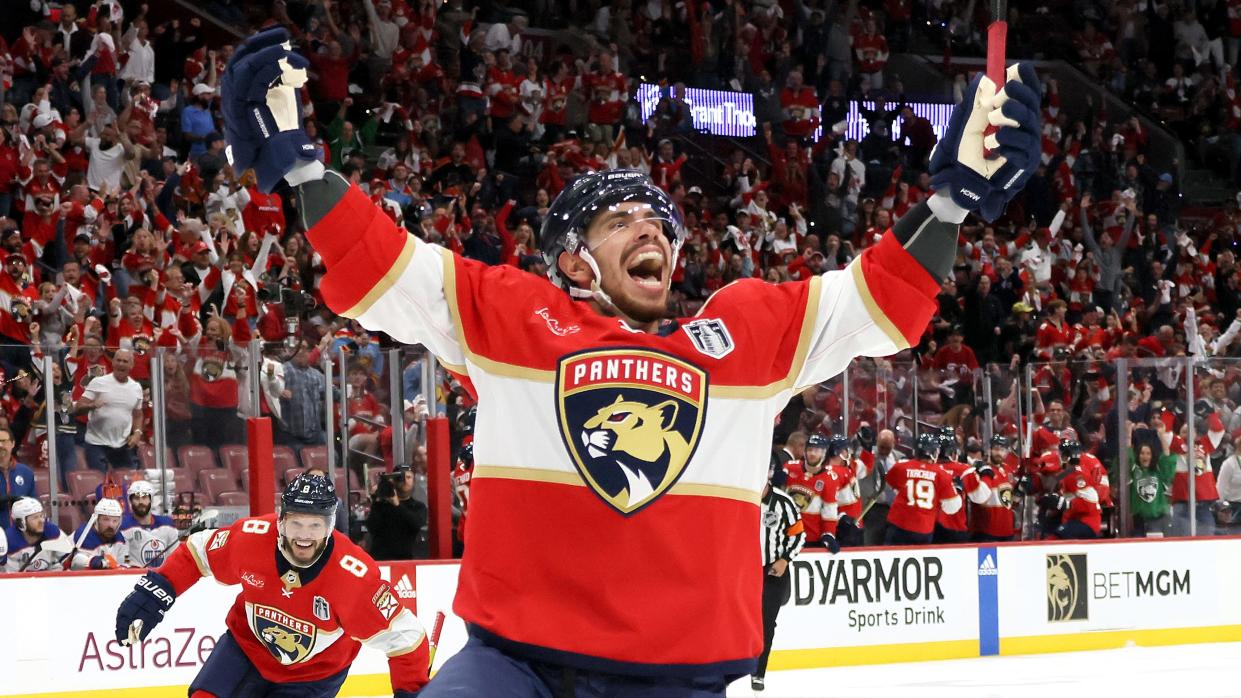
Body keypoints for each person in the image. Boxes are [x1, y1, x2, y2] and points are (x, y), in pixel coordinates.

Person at [220, 29, 1041, 693]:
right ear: (572, 262)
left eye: (660, 226)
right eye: (621, 222)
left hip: (678, 677)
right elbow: (380, 265)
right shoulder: (513, 319)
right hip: (512, 665)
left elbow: (881, 298)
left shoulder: (745, 334)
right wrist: (300, 166)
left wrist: (951, 202)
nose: (652, 233)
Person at [113, 474, 430, 697]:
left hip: (312, 676)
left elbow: (407, 638)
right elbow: (197, 552)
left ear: (330, 527)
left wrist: (412, 692)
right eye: (296, 523)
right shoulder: (251, 537)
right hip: (247, 648)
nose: (304, 535)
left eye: (315, 525)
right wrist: (153, 593)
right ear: (281, 521)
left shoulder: (354, 576)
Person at [752, 460, 805, 692]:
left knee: (766, 622)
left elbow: (797, 536)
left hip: (773, 571)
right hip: (745, 572)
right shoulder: (742, 501)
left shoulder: (784, 502)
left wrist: (784, 559)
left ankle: (758, 672)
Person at [884, 433, 963, 545]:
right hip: (923, 529)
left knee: (890, 558)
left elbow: (890, 483)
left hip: (898, 523)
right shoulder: (942, 474)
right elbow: (952, 508)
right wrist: (957, 490)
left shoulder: (901, 466)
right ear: (933, 453)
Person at [75, 348, 144, 472]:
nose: (121, 364)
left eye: (125, 361)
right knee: (101, 485)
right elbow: (78, 407)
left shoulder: (136, 388)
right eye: (118, 360)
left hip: (122, 444)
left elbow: (138, 414)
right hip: (96, 444)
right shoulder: (98, 382)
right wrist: (91, 406)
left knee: (129, 482)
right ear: (112, 362)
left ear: (131, 365)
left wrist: (137, 433)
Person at [784, 433, 841, 551]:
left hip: (810, 539)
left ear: (824, 453)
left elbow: (829, 512)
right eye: (810, 449)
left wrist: (828, 534)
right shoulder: (790, 468)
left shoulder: (830, 478)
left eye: (817, 450)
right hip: (785, 535)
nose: (813, 453)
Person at [366, 462, 429, 560]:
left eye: (408, 477)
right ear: (393, 481)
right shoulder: (383, 505)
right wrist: (377, 500)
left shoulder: (417, 506)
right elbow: (372, 527)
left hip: (406, 560)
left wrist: (397, 504)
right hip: (381, 559)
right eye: (400, 477)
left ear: (414, 481)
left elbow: (416, 524)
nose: (404, 481)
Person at [120, 480, 181, 567]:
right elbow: (123, 557)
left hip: (161, 577)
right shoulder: (123, 526)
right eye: (137, 498)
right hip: (134, 577)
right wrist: (128, 566)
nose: (141, 502)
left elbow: (175, 556)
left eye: (144, 497)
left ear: (151, 499)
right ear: (131, 501)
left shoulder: (167, 524)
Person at [2, 497, 71, 572]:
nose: (41, 520)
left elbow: (68, 558)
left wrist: (76, 562)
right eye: (35, 518)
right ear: (21, 523)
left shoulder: (51, 531)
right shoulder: (9, 541)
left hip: (52, 577)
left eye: (41, 516)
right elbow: (12, 578)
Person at [971, 435, 1019, 542]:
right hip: (987, 532)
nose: (999, 453)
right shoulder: (983, 471)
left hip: (1007, 531)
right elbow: (978, 500)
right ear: (990, 450)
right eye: (996, 449)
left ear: (1007, 452)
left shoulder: (1008, 470)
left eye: (1002, 450)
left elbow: (1012, 501)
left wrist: (1020, 491)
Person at [70, 498, 129, 569]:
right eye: (106, 519)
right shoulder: (83, 535)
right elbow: (76, 563)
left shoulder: (120, 539)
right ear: (96, 520)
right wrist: (99, 562)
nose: (111, 525)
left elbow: (125, 563)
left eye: (115, 521)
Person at [0, 425, 37, 526]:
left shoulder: (26, 472)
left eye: (4, 441)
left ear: (12, 443)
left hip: (21, 535)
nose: (0, 445)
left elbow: (34, 505)